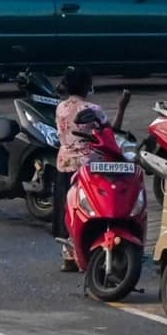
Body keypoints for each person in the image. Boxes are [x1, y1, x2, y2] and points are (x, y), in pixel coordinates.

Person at [51, 68, 130, 269]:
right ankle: (89, 251)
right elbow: (112, 132)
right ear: (87, 86)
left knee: (68, 208)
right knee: (90, 209)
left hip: (64, 163)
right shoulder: (93, 109)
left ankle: (68, 256)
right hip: (89, 167)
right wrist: (122, 106)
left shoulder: (60, 107)